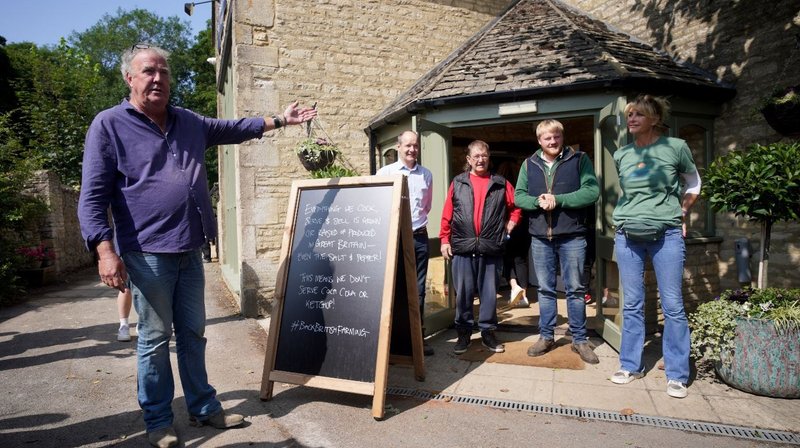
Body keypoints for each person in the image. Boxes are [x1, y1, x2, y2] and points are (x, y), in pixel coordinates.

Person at [77, 43, 317, 448]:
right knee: (154, 339)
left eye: (164, 72)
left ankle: (204, 408)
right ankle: (157, 421)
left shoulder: (188, 121)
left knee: (193, 333)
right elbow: (92, 196)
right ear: (129, 78)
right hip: (146, 252)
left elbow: (233, 128)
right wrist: (104, 251)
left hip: (190, 249)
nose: (158, 78)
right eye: (148, 71)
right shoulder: (109, 125)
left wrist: (280, 120)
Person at [609, 94, 700, 399]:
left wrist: (683, 211)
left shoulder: (676, 148)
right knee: (632, 304)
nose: (630, 119)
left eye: (637, 114)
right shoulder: (622, 154)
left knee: (672, 306)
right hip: (627, 235)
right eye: (629, 114)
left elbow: (694, 182)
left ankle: (676, 374)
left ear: (654, 119)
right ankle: (629, 366)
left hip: (666, 235)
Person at [514, 120, 600, 364]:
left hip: (572, 235)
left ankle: (580, 339)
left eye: (556, 137)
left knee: (575, 290)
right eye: (546, 138)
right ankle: (546, 336)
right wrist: (537, 202)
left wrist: (558, 199)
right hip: (541, 237)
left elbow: (591, 191)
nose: (552, 142)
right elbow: (519, 196)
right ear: (539, 141)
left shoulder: (579, 160)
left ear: (562, 137)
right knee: (545, 289)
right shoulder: (528, 164)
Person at [440, 140, 521, 355]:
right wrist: (444, 239)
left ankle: (487, 333)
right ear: (468, 159)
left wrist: (511, 223)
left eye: (484, 155)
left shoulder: (500, 183)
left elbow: (516, 207)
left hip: (490, 247)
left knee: (488, 294)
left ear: (488, 157)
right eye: (476, 156)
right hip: (463, 248)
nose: (480, 159)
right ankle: (464, 334)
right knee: (464, 294)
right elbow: (447, 213)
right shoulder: (458, 182)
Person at [376, 130, 435, 356]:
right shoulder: (384, 173)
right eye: (408, 145)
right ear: (398, 147)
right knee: (392, 287)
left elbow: (426, 206)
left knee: (418, 290)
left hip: (419, 237)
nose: (412, 149)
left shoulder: (426, 174)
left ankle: (417, 338)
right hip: (393, 237)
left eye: (415, 146)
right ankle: (391, 341)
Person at [496, 159, 532, 308]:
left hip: (507, 226)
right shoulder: (523, 186)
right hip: (524, 227)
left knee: (507, 259)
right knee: (521, 260)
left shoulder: (500, 186)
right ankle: (523, 295)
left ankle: (514, 286)